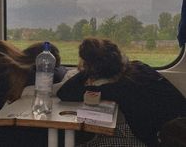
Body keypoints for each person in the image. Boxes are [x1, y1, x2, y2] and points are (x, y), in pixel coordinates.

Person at [57, 38, 186, 147]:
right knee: (106, 133)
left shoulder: (118, 89)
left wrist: (87, 69)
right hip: (177, 128)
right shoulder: (140, 66)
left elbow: (65, 92)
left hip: (159, 141)